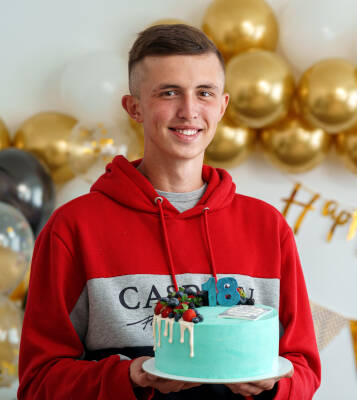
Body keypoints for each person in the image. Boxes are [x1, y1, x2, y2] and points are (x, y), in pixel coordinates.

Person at [18, 24, 321, 399]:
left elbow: (303, 369)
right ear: (134, 108)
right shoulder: (75, 226)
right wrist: (128, 377)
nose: (189, 111)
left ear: (222, 106)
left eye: (204, 93)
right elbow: (38, 383)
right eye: (169, 92)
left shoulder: (266, 226)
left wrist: (274, 389)